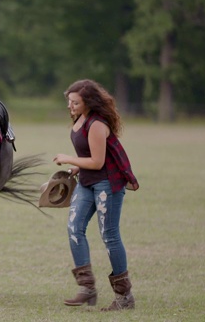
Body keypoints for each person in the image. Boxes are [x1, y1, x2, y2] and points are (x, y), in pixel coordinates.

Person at [52, 79, 139, 311]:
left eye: (75, 102)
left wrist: (69, 159)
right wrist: (76, 168)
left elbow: (98, 161)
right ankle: (87, 288)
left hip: (107, 185)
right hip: (87, 182)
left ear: (88, 102)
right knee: (74, 228)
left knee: (109, 236)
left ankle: (124, 297)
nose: (70, 106)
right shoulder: (80, 119)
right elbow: (90, 156)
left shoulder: (97, 124)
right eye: (69, 102)